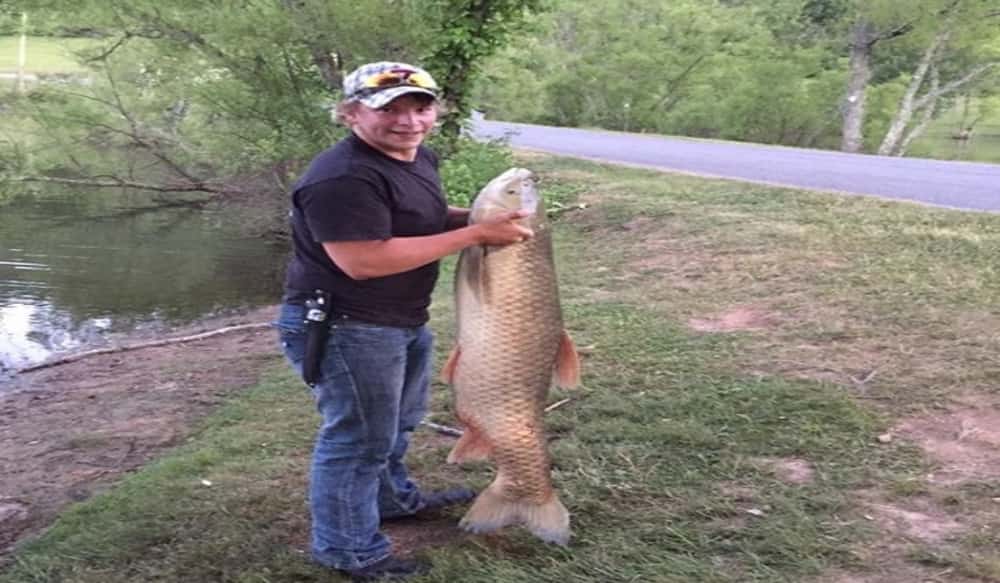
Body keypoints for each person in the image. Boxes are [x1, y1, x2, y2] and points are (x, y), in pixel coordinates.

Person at [274, 61, 533, 580]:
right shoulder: (342, 177)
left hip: (398, 318)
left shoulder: (416, 157)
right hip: (346, 324)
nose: (409, 121)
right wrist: (475, 236)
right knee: (358, 439)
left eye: (420, 107)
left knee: (396, 424)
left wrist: (481, 217)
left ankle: (391, 500)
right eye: (389, 109)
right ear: (351, 113)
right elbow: (363, 260)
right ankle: (348, 550)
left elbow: (418, 218)